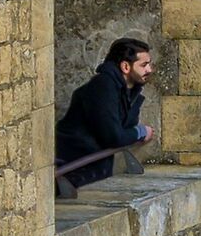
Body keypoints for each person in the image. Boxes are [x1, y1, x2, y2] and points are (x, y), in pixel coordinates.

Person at [55, 37, 155, 188]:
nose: (149, 70)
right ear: (125, 67)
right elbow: (114, 137)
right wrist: (140, 131)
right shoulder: (103, 87)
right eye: (144, 65)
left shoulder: (127, 91)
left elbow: (123, 129)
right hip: (74, 172)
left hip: (91, 172)